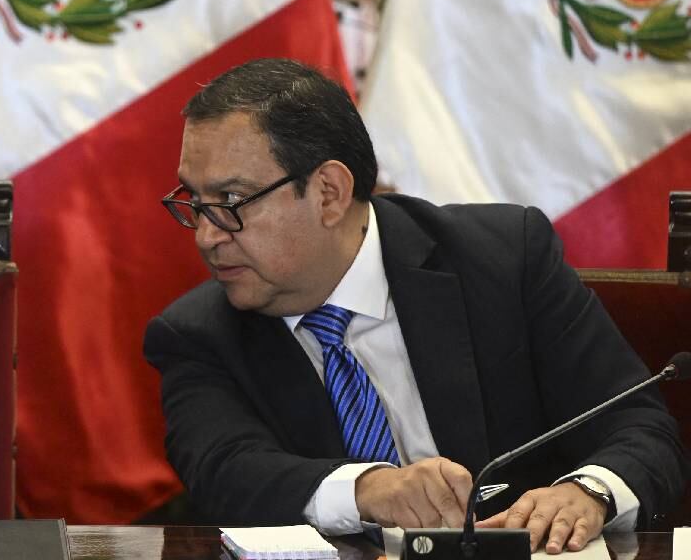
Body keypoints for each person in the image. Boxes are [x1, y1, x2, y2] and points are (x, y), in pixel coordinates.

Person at [144, 58, 687, 554]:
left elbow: (638, 426)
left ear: (329, 192)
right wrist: (368, 488)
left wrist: (586, 492)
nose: (206, 236)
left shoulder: (502, 260)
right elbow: (228, 473)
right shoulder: (196, 335)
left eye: (232, 202)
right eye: (195, 202)